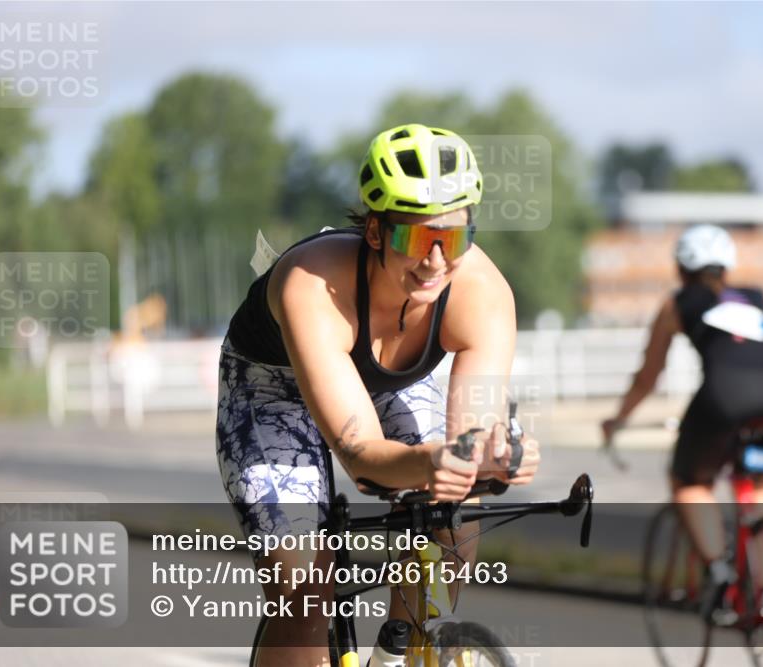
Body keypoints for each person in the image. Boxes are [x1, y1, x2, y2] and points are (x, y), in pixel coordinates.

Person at [216, 123, 540, 667]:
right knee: (304, 590)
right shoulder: (310, 285)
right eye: (415, 239)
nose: (434, 261)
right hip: (272, 388)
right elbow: (363, 457)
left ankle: (397, 649)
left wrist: (491, 454)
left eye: (453, 240)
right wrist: (431, 461)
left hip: (385, 381)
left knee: (454, 519)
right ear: (374, 231)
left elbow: (470, 437)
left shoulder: (483, 294)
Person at [601, 224, 763, 618]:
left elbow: (648, 377)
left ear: (680, 269)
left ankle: (720, 577)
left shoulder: (676, 303)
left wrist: (618, 419)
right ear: (727, 266)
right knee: (759, 482)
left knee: (690, 482)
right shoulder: (757, 296)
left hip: (726, 397)